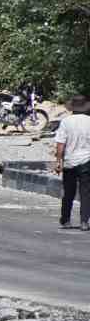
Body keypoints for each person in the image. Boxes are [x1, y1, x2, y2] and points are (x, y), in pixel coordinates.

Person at [53, 95, 90, 230]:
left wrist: (58, 161)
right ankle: (84, 221)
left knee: (68, 192)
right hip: (86, 161)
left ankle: (66, 220)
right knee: (86, 192)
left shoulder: (66, 122)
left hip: (70, 161)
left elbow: (60, 144)